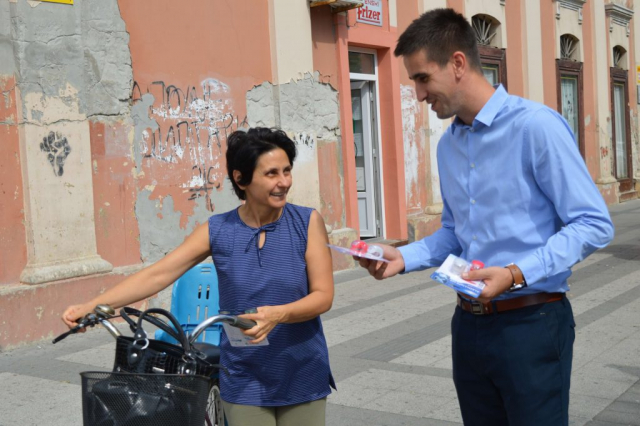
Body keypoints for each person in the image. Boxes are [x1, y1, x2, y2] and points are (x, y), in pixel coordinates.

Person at [357, 8, 614, 426]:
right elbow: (456, 235)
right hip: (469, 327)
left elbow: (593, 223)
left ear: (458, 63)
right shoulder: (448, 146)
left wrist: (515, 273)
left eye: (422, 78)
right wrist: (403, 257)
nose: (419, 94)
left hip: (532, 322)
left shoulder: (536, 127)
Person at [62, 127, 336, 426]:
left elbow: (323, 296)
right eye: (271, 174)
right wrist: (93, 305)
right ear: (241, 178)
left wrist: (279, 315)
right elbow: (159, 273)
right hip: (244, 374)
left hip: (301, 368)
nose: (284, 182)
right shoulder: (218, 230)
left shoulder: (307, 223)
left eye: (287, 170)